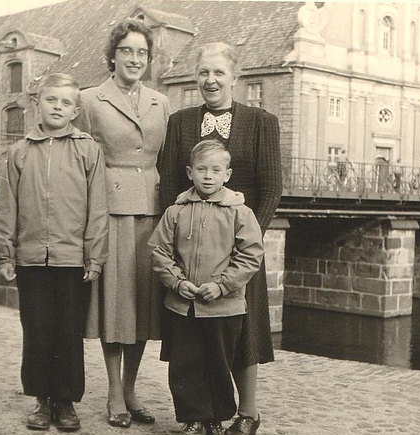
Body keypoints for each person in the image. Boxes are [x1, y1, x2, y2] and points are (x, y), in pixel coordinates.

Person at [158, 42, 282, 435]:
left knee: (244, 330)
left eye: (218, 73)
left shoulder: (261, 122)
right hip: (192, 248)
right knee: (194, 333)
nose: (210, 81)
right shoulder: (179, 122)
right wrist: (179, 247)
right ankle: (201, 413)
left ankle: (248, 413)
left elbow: (272, 188)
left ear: (235, 78)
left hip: (242, 249)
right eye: (203, 73)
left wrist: (246, 243)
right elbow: (170, 189)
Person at [0, 73, 109, 432]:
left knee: (68, 331)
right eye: (51, 100)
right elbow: (7, 205)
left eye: (66, 103)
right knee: (37, 328)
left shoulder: (88, 150)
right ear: (37, 104)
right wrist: (5, 253)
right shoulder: (19, 152)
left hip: (73, 259)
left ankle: (67, 401)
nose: (58, 107)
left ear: (76, 110)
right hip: (30, 259)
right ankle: (42, 400)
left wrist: (95, 255)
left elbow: (98, 207)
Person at [73, 18, 170, 428]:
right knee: (114, 306)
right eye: (127, 51)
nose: (134, 59)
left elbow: (163, 157)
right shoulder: (89, 99)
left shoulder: (160, 102)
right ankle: (114, 391)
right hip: (108, 212)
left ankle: (132, 388)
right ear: (112, 56)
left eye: (142, 53)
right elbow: (76, 160)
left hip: (151, 214)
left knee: (144, 308)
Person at [150, 140, 264, 435]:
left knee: (218, 363)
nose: (208, 176)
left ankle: (215, 418)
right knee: (185, 364)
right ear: (190, 172)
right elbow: (159, 252)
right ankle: (193, 418)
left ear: (227, 174)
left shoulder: (240, 213)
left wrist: (222, 286)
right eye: (202, 169)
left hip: (223, 307)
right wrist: (177, 282)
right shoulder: (176, 212)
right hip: (183, 304)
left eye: (216, 170)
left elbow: (251, 256)